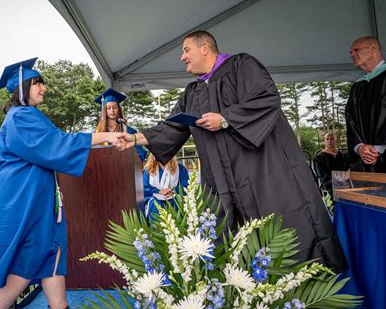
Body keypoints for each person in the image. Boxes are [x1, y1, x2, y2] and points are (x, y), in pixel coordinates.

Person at [118, 30, 347, 272]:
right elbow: (172, 127)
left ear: (204, 48)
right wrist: (133, 138)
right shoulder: (192, 93)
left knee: (283, 224)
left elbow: (266, 98)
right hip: (223, 180)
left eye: (186, 50)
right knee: (231, 234)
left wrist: (226, 118)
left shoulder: (241, 66)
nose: (182, 57)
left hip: (262, 172)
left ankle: (305, 278)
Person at [0, 58, 122, 309]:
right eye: (39, 83)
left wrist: (101, 140)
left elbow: (57, 144)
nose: (45, 88)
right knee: (30, 258)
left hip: (38, 201)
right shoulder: (21, 117)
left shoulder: (26, 116)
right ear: (23, 86)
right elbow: (58, 144)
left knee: (53, 255)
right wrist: (106, 135)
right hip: (23, 203)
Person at [345, 36, 386, 172]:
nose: (351, 54)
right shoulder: (358, 86)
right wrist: (359, 147)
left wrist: (378, 148)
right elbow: (350, 119)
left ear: (373, 48)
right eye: (351, 52)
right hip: (364, 162)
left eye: (355, 50)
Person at [94, 88, 148, 161]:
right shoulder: (98, 132)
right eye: (108, 108)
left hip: (125, 168)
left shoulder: (129, 131)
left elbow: (139, 154)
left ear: (118, 109)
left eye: (114, 107)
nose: (112, 110)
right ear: (104, 110)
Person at [142, 153, 189, 222]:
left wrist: (173, 191)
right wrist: (158, 191)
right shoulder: (148, 170)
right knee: (155, 204)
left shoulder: (180, 168)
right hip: (154, 197)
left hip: (174, 196)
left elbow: (185, 186)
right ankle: (157, 230)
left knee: (175, 201)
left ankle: (176, 231)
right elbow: (144, 188)